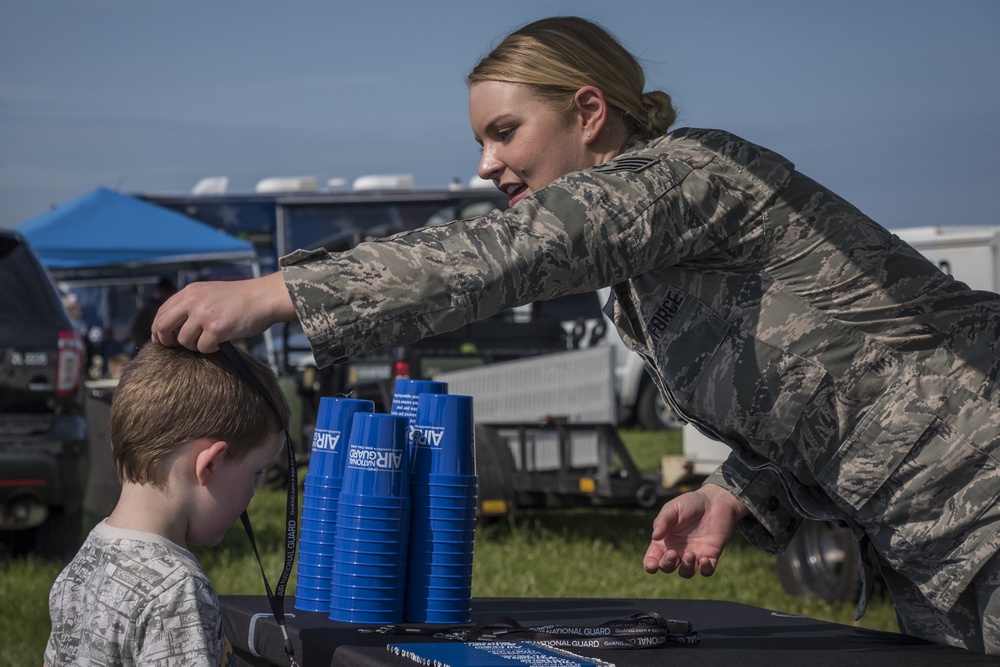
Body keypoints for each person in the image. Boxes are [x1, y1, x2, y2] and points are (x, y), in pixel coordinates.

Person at [151, 16, 1000, 655]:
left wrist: (279, 290)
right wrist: (736, 490)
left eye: (504, 132)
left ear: (588, 110)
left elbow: (506, 254)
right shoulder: (643, 272)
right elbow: (835, 381)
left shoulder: (680, 175)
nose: (485, 165)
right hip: (933, 544)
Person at [44, 342, 289, 666]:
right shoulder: (177, 591)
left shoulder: (87, 557)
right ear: (209, 465)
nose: (253, 494)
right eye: (255, 473)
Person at [129, 277, 176, 352]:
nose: (169, 296)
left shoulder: (172, 308)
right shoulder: (149, 310)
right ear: (160, 292)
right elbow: (133, 332)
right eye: (167, 292)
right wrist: (147, 349)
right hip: (150, 352)